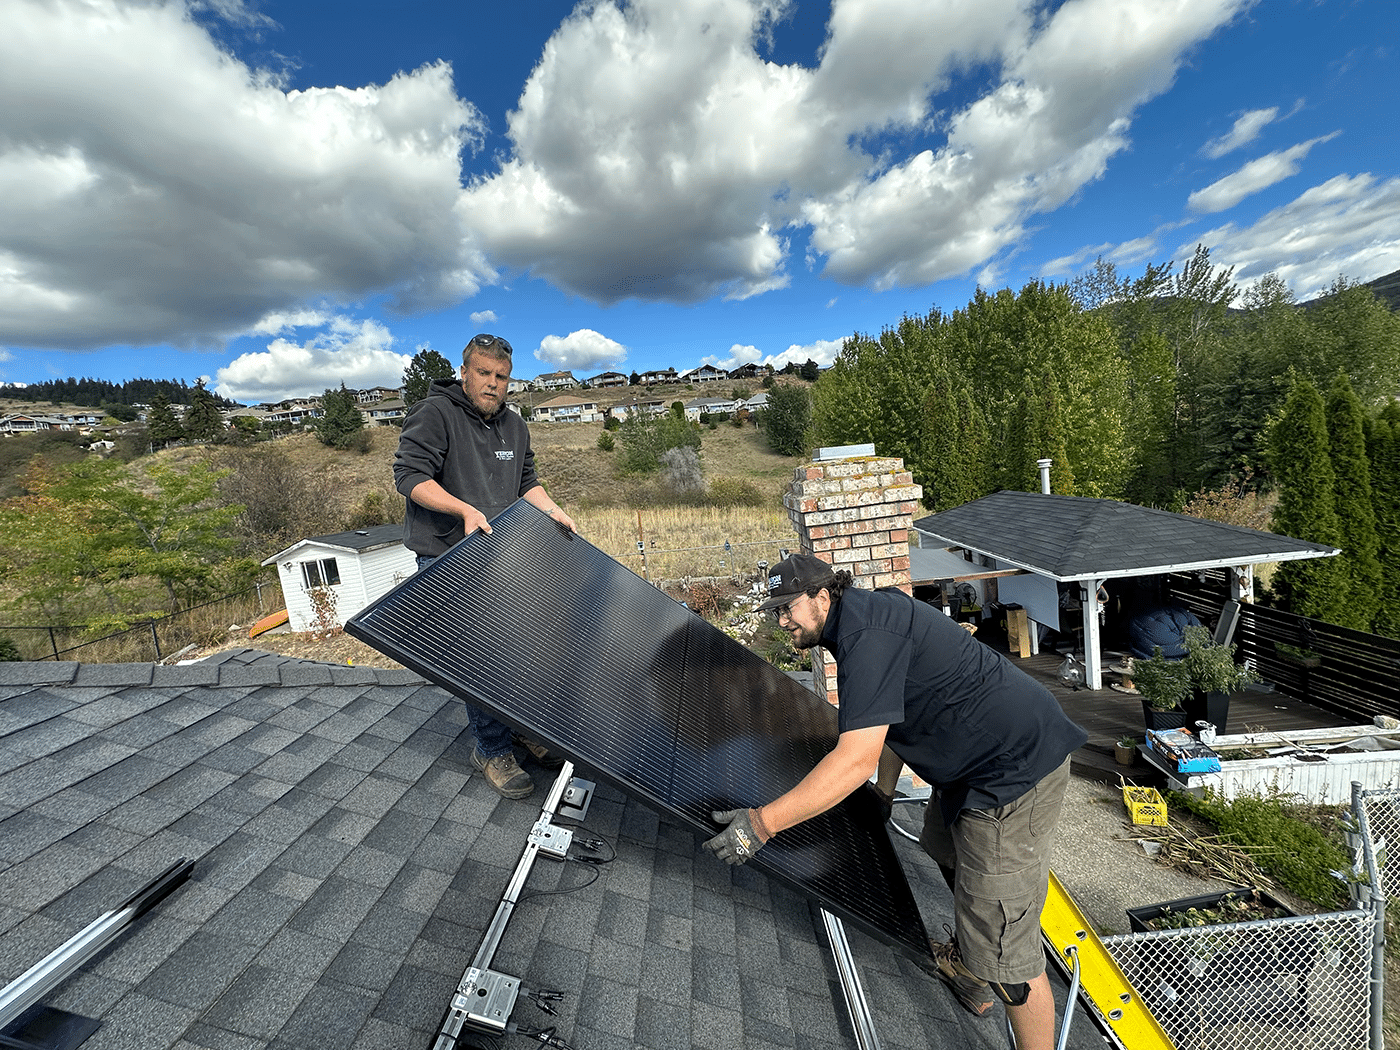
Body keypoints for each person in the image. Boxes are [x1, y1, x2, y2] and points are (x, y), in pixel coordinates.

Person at [703, 553, 1086, 1050]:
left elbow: (855, 757)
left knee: (1007, 951)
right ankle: (973, 972)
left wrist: (761, 824)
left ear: (823, 596)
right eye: (775, 610)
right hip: (971, 770)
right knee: (944, 850)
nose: (781, 621)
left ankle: (992, 969)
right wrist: (884, 793)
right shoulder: (862, 616)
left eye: (788, 607)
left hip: (1012, 775)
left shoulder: (866, 637)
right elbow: (888, 719)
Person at [393, 332, 577, 799]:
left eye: (501, 376)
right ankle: (491, 748)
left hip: (502, 553)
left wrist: (553, 510)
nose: (493, 384)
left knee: (520, 648)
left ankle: (519, 727)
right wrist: (463, 510)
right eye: (483, 373)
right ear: (464, 372)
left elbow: (526, 482)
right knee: (480, 658)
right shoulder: (435, 414)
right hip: (449, 556)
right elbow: (410, 476)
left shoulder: (514, 426)